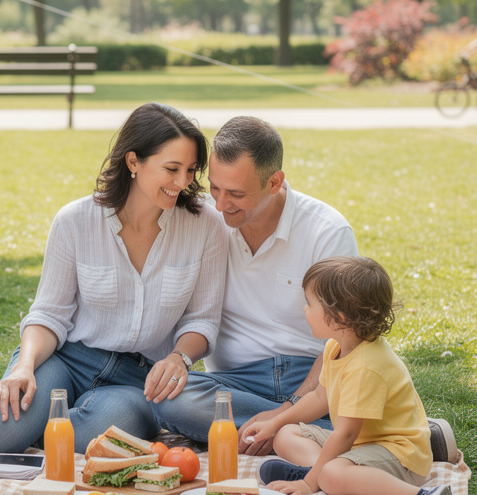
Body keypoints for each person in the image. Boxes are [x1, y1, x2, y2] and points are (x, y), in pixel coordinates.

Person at [148, 116, 457, 461]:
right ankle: (354, 437)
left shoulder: (326, 230)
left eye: (236, 194)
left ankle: (293, 430)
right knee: (169, 398)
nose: (220, 205)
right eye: (215, 189)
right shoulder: (206, 220)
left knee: (329, 398)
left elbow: (343, 338)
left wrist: (289, 408)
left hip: (313, 376)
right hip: (235, 382)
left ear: (274, 182)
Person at [0, 102, 228, 453]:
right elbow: (49, 314)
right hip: (68, 359)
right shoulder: (75, 221)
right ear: (133, 162)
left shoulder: (205, 225)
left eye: (190, 170)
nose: (183, 182)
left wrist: (179, 358)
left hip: (138, 380)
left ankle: (38, 425)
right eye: (172, 169)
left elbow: (202, 319)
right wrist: (23, 368)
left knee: (88, 440)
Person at [241, 257, 460, 495]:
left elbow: (344, 435)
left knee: (333, 476)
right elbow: (319, 396)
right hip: (361, 447)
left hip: (399, 455)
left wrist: (310, 484)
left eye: (310, 304)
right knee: (286, 434)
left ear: (339, 319)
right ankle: (320, 472)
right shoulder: (336, 346)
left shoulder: (366, 366)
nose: (304, 309)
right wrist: (275, 422)